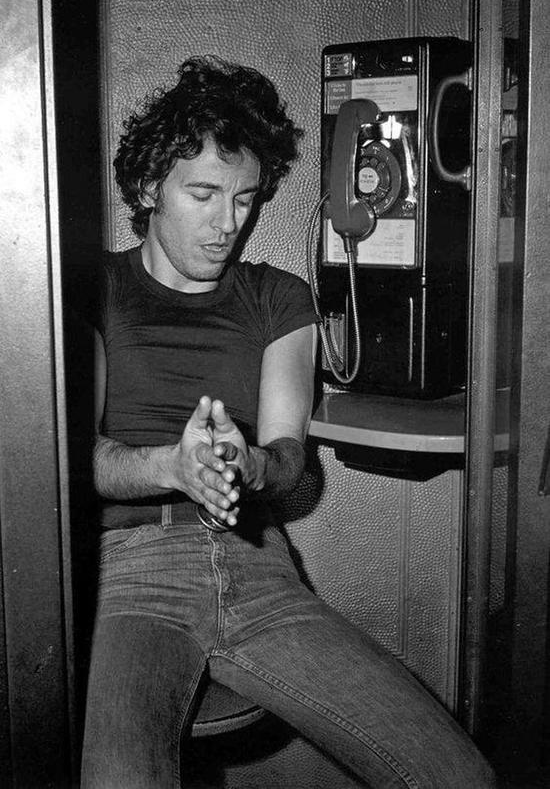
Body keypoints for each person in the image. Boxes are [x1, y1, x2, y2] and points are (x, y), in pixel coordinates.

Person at [80, 55, 496, 788]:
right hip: (129, 573)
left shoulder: (279, 296)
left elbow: (289, 459)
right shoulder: (94, 290)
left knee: (456, 774)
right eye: (203, 194)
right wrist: (168, 467)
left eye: (244, 200)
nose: (226, 226)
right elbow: (65, 463)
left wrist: (246, 467)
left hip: (256, 564)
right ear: (149, 188)